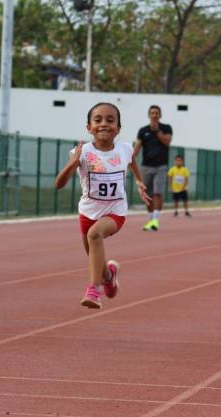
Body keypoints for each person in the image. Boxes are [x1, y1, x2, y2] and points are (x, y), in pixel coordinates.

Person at [55, 102, 151, 309]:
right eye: (97, 120)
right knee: (95, 260)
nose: (104, 124)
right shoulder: (81, 152)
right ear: (88, 127)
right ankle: (109, 276)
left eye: (110, 120)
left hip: (115, 212)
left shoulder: (125, 149)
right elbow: (59, 184)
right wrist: (74, 163)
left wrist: (139, 181)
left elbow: (132, 161)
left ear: (118, 128)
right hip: (88, 212)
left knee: (94, 235)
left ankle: (94, 290)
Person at [134, 105, 172, 231]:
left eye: (157, 113)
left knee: (157, 193)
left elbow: (167, 141)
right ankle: (151, 220)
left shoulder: (166, 128)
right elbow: (137, 147)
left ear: (160, 115)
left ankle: (155, 220)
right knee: (147, 194)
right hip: (146, 166)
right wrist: (130, 159)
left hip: (161, 166)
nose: (154, 115)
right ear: (149, 115)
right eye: (152, 113)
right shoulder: (142, 130)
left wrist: (157, 132)